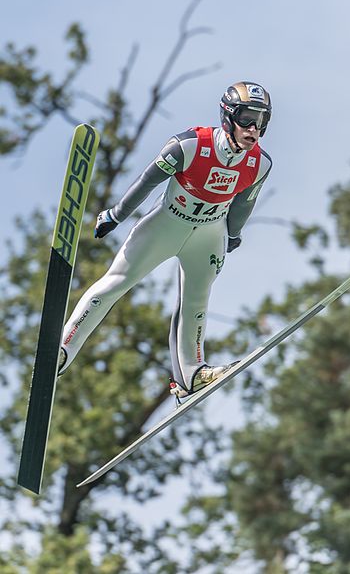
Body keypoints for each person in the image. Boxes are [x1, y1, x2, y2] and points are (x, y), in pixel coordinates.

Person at [58, 81, 273, 398]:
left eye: (262, 121)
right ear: (228, 116)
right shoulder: (188, 145)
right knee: (115, 282)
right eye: (246, 118)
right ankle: (63, 349)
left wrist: (234, 235)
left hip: (209, 235)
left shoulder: (260, 163)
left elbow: (244, 204)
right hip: (166, 225)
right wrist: (115, 215)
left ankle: (191, 374)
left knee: (197, 301)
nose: (253, 128)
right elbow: (147, 181)